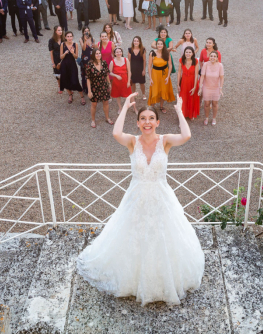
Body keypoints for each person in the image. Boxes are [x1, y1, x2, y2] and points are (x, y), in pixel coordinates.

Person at [77, 94, 204, 305]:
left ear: (157, 122)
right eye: (143, 118)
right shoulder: (132, 142)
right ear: (138, 123)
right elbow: (116, 132)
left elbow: (187, 135)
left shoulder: (165, 141)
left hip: (161, 198)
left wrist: (180, 110)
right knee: (133, 238)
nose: (147, 122)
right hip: (135, 198)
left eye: (151, 118)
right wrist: (125, 107)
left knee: (162, 237)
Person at [85, 48, 112, 127]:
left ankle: (107, 118)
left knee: (106, 102)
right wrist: (89, 91)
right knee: (94, 104)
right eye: (96, 53)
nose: (98, 55)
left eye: (99, 53)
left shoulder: (103, 63)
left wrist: (109, 83)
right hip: (94, 87)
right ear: (93, 55)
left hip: (104, 86)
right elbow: (88, 79)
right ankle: (93, 120)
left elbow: (106, 74)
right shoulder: (89, 65)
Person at [148, 39, 175, 113]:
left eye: (161, 44)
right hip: (155, 73)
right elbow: (149, 65)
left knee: (163, 89)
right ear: (156, 45)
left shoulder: (167, 53)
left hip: (164, 74)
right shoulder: (152, 53)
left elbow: (170, 65)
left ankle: (161, 106)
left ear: (163, 45)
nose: (159, 45)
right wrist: (150, 78)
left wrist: (168, 76)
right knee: (154, 89)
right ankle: (152, 107)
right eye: (158, 44)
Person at [198, 51, 224, 125]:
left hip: (216, 87)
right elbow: (202, 76)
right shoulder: (205, 64)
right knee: (207, 104)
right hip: (207, 87)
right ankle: (206, 118)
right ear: (209, 57)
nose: (213, 57)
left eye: (214, 56)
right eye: (211, 56)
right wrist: (200, 87)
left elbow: (222, 77)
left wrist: (221, 88)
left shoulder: (220, 65)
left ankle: (214, 118)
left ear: (217, 58)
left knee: (215, 103)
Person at [60, 31, 85, 105]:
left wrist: (73, 52)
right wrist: (65, 53)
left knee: (75, 80)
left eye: (71, 36)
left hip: (72, 65)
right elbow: (61, 57)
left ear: (72, 37)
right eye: (68, 36)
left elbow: (76, 57)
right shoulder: (63, 44)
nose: (69, 38)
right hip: (64, 65)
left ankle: (82, 96)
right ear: (65, 37)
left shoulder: (75, 44)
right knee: (65, 80)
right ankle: (70, 95)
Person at [179, 46, 200, 119]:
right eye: (186, 52)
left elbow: (196, 74)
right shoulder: (181, 60)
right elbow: (179, 72)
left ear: (192, 53)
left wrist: (194, 87)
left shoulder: (196, 61)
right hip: (184, 82)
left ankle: (191, 114)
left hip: (193, 81)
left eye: (189, 52)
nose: (188, 53)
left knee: (192, 97)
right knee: (184, 98)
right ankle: (183, 114)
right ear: (184, 53)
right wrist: (178, 84)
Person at [110, 47, 132, 113]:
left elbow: (129, 71)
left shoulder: (126, 60)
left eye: (120, 52)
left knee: (129, 94)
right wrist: (116, 75)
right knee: (118, 95)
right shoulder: (112, 61)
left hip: (125, 79)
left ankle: (133, 107)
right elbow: (110, 72)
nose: (118, 53)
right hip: (117, 81)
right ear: (114, 53)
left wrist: (128, 82)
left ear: (122, 52)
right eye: (117, 52)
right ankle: (120, 108)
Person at [129, 36, 147, 102]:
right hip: (132, 69)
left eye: (137, 41)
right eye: (134, 41)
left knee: (142, 83)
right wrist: (129, 71)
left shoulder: (143, 49)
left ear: (139, 42)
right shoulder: (130, 50)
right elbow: (129, 60)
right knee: (133, 83)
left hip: (140, 68)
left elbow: (144, 60)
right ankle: (133, 94)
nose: (136, 42)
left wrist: (144, 70)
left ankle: (144, 94)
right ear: (133, 42)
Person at [80, 26, 95, 98]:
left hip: (91, 57)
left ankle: (92, 88)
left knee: (92, 72)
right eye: (85, 31)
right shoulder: (81, 39)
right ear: (83, 32)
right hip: (85, 58)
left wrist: (94, 46)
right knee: (85, 74)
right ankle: (85, 88)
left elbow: (94, 48)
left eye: (88, 30)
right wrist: (85, 40)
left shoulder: (92, 38)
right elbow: (83, 48)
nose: (87, 32)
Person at [49, 26, 65, 93]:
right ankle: (59, 86)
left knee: (65, 73)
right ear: (55, 31)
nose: (60, 31)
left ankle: (68, 87)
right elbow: (51, 52)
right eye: (59, 30)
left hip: (64, 58)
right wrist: (53, 62)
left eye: (61, 30)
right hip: (56, 59)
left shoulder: (64, 39)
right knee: (58, 74)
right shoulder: (51, 40)